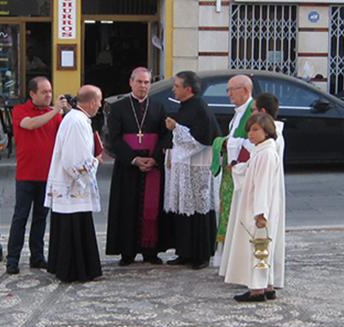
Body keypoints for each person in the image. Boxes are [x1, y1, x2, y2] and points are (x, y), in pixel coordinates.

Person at [105, 67, 168, 266]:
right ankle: (127, 251)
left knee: (152, 208)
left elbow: (166, 136)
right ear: (131, 83)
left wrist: (155, 158)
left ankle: (151, 251)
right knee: (127, 207)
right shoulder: (118, 108)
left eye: (147, 82)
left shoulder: (159, 107)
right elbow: (113, 139)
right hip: (128, 167)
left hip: (153, 166)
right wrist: (134, 159)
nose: (143, 86)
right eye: (139, 82)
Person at [219, 113, 285, 302]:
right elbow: (250, 170)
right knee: (262, 247)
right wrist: (239, 168)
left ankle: (257, 290)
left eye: (255, 130)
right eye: (249, 130)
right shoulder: (261, 151)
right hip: (257, 205)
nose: (251, 134)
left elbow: (262, 184)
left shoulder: (266, 154)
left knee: (259, 247)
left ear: (267, 131)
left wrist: (260, 213)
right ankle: (268, 285)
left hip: (259, 208)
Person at [6, 76, 67, 274]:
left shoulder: (54, 114)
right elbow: (30, 124)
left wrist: (66, 112)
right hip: (26, 174)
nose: (49, 95)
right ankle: (12, 259)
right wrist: (55, 111)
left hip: (47, 175)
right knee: (20, 218)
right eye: (44, 92)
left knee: (41, 219)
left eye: (50, 91)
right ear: (32, 94)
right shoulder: (20, 111)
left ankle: (37, 256)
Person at [44, 85, 104, 283]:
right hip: (73, 187)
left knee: (72, 227)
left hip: (70, 187)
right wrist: (95, 160)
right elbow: (74, 160)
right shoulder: (77, 122)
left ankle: (67, 267)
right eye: (100, 101)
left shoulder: (76, 118)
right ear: (92, 101)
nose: (100, 105)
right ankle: (74, 270)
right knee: (74, 229)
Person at [163, 71, 220, 269]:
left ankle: (201, 255)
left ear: (188, 89)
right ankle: (185, 252)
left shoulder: (200, 107)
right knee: (184, 209)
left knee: (199, 210)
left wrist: (176, 128)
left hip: (198, 168)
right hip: (184, 167)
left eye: (177, 86)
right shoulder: (186, 106)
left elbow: (202, 137)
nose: (173, 89)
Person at [212, 74, 254, 250]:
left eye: (231, 90)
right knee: (228, 210)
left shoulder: (253, 111)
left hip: (243, 172)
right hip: (231, 171)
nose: (228, 94)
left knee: (238, 213)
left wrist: (227, 143)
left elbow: (253, 143)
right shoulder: (239, 111)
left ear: (244, 90)